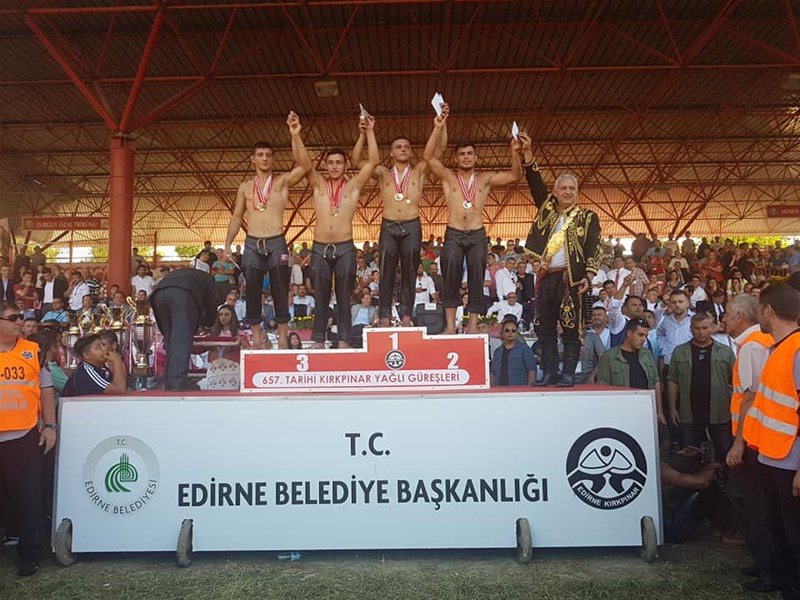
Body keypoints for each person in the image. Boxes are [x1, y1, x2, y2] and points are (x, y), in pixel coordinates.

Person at [423, 109, 522, 334]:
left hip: (476, 233)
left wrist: (515, 152)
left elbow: (514, 175)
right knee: (450, 275)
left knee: (477, 277)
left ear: (476, 157)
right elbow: (428, 158)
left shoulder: (484, 179)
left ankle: (474, 326)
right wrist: (438, 126)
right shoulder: (448, 177)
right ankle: (450, 326)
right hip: (454, 232)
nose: (466, 157)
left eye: (470, 153)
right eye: (462, 154)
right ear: (456, 158)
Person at [518, 132, 601, 387]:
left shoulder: (588, 217)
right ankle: (550, 373)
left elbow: (593, 246)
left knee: (571, 328)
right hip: (546, 277)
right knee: (544, 327)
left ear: (577, 192)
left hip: (570, 279)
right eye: (563, 188)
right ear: (555, 191)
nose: (567, 192)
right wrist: (527, 153)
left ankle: (568, 374)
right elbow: (534, 181)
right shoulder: (546, 209)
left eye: (571, 188)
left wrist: (589, 275)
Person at [224, 112, 312, 349]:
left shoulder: (281, 182)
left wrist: (295, 134)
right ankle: (256, 338)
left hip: (276, 241)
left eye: (268, 155)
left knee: (280, 289)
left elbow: (305, 166)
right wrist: (227, 244)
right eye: (260, 155)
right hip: (252, 242)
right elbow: (237, 216)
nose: (264, 158)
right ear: (252, 159)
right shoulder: (245, 187)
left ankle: (283, 337)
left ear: (273, 159)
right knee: (252, 290)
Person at [352, 110, 447, 326]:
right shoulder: (383, 173)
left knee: (409, 272)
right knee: (386, 272)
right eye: (398, 147)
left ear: (411, 152)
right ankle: (385, 315)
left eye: (406, 147)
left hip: (412, 226)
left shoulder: (420, 170)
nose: (403, 149)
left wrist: (439, 126)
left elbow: (439, 150)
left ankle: (406, 315)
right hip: (389, 226)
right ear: (391, 153)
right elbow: (356, 160)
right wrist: (366, 133)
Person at [299, 116, 379, 349]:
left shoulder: (353, 186)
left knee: (344, 297)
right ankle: (318, 340)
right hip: (320, 247)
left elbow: (373, 162)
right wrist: (296, 134)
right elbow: (303, 163)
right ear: (326, 165)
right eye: (331, 162)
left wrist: (369, 132)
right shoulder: (318, 184)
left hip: (344, 247)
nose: (334, 166)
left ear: (345, 166)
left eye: (339, 162)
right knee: (321, 296)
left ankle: (344, 339)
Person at [742, 284, 800, 598]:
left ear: (768, 311)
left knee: (793, 531)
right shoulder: (779, 349)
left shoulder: (796, 349)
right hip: (772, 454)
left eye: (758, 310)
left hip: (790, 459)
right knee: (778, 526)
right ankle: (782, 579)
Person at [720, 293, 777, 592]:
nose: (724, 319)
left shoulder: (753, 347)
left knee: (751, 502)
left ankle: (768, 565)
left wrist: (739, 443)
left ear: (740, 316)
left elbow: (750, 398)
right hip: (756, 437)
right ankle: (762, 560)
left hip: (752, 440)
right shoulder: (755, 343)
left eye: (728, 313)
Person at [0, 300, 57, 576]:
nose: (19, 322)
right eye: (12, 318)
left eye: (20, 317)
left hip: (24, 434)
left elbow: (46, 390)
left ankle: (30, 554)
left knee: (28, 497)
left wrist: (50, 426)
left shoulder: (33, 352)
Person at [668, 312, 736, 460]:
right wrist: (672, 408)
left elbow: (736, 382)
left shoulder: (726, 352)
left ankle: (721, 474)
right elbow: (673, 380)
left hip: (720, 412)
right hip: (689, 412)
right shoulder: (679, 351)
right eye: (697, 328)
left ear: (712, 328)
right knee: (689, 454)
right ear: (691, 328)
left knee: (723, 452)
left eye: (705, 328)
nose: (701, 332)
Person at [150, 267, 218, 391]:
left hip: (159, 295)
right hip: (182, 295)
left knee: (170, 340)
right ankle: (178, 381)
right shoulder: (208, 279)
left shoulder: (182, 273)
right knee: (181, 340)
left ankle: (169, 380)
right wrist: (208, 324)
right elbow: (211, 305)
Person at [596, 318, 664, 422]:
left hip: (647, 409)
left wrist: (659, 411)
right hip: (621, 411)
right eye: (640, 335)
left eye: (646, 336)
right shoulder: (609, 357)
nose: (644, 339)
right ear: (629, 333)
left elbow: (655, 382)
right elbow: (603, 387)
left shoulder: (646, 354)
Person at [61, 333, 127, 397]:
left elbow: (120, 385)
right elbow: (119, 389)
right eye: (98, 347)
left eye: (103, 345)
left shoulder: (102, 368)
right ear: (86, 355)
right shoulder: (86, 370)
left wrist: (113, 365)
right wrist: (117, 360)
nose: (104, 349)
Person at [491, 318, 537, 386]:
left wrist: (530, 390)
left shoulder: (525, 350)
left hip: (519, 390)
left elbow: (532, 371)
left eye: (513, 330)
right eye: (507, 330)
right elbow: (492, 374)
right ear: (502, 333)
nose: (510, 332)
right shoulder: (497, 352)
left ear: (517, 333)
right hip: (499, 390)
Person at [577, 305, 610, 384]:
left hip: (600, 372)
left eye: (599, 315)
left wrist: (592, 376)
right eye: (594, 315)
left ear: (606, 318)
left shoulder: (611, 333)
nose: (596, 317)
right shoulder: (585, 334)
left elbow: (602, 357)